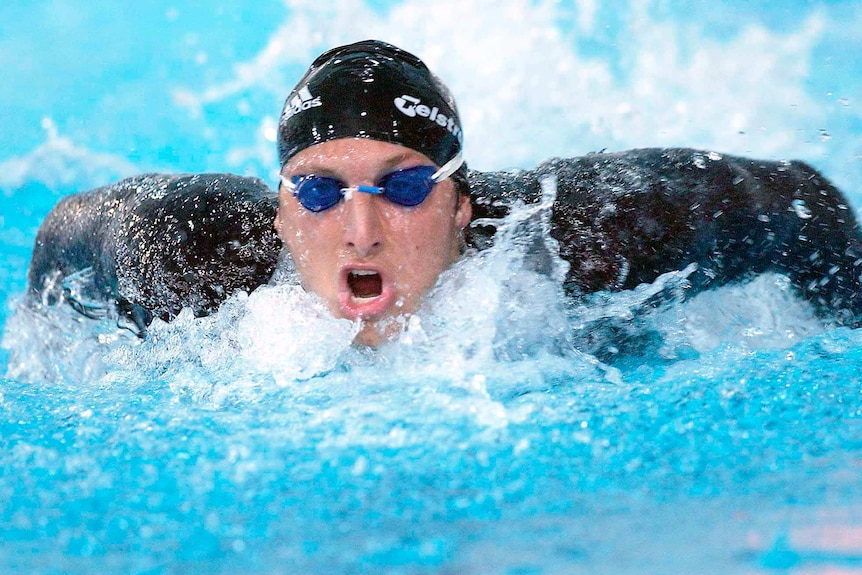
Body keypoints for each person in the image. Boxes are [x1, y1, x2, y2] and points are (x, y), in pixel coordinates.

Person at [25, 40, 862, 346]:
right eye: (319, 193)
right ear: (281, 213)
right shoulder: (189, 257)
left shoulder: (584, 237)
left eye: (407, 184)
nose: (360, 232)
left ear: (461, 205)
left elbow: (804, 201)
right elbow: (65, 227)